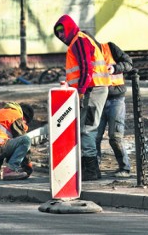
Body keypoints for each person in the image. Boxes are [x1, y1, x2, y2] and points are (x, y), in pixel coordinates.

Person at [53, 14, 111, 181]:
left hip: (93, 89)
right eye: (58, 34)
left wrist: (81, 90)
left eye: (62, 31)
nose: (61, 35)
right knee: (86, 128)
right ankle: (90, 168)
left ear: (69, 27)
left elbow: (86, 66)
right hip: (92, 89)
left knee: (87, 129)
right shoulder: (78, 41)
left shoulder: (79, 40)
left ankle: (91, 170)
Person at [96, 41, 133, 178]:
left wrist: (115, 68)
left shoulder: (109, 48)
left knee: (115, 137)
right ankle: (94, 168)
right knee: (94, 137)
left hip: (115, 98)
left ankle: (125, 168)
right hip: (97, 99)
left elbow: (128, 63)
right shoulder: (85, 53)